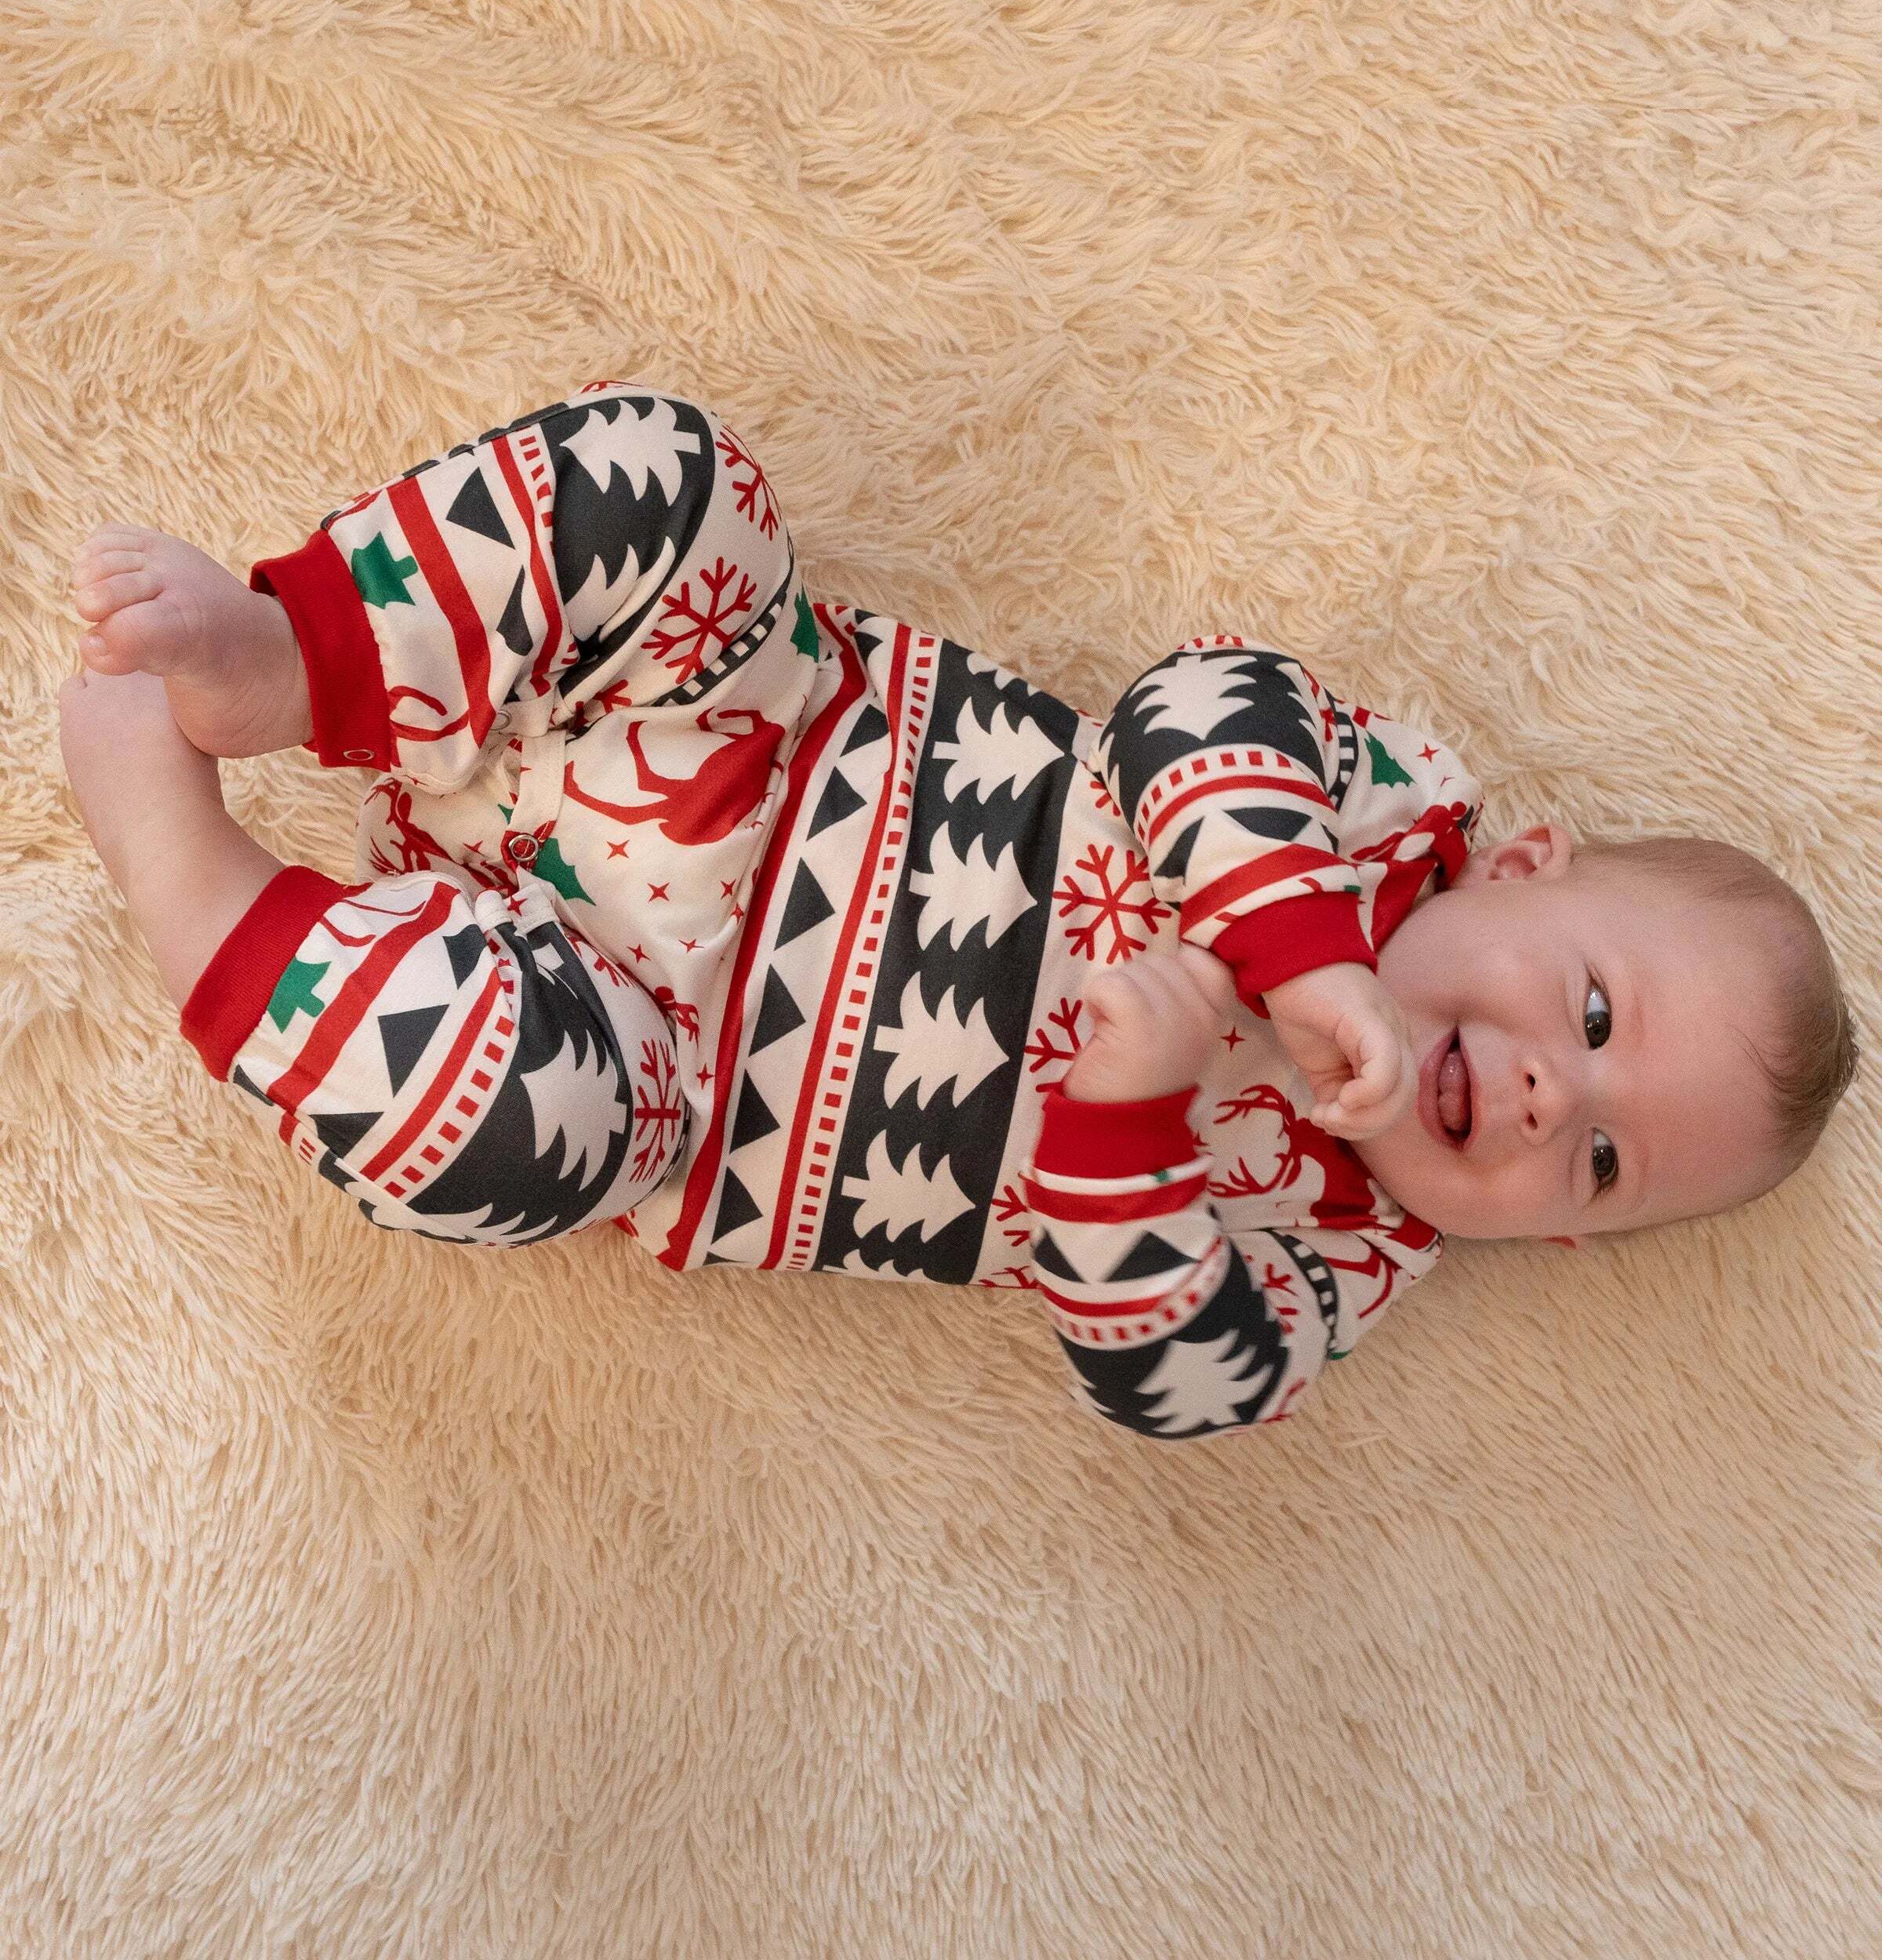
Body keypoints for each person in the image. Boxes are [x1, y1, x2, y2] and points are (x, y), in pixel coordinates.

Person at [57, 381, 1861, 1439]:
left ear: (1555, 1242)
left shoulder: (1340, 1249)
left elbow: (1169, 1381)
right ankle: (309, 659)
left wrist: (1133, 1122)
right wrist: (1297, 952)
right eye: (1598, 1019)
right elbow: (1193, 705)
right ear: (1530, 866)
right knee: (674, 485)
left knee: (501, 1119)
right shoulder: (1380, 815)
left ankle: (187, 872)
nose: (1556, 1099)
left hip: (666, 1062)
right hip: (754, 730)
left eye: (1604, 1166)